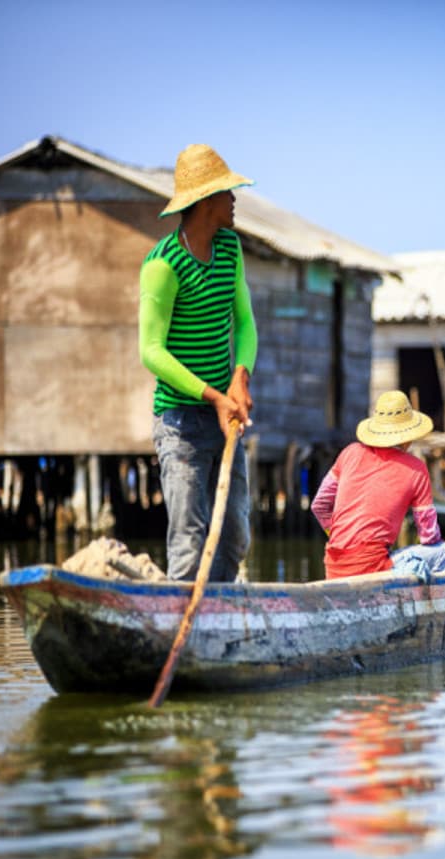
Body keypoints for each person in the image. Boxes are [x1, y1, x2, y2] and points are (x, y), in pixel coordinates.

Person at [138, 144, 257, 582]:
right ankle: (182, 627)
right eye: (227, 193)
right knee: (189, 539)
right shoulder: (163, 266)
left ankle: (218, 621)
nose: (234, 199)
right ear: (205, 202)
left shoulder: (229, 247)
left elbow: (244, 322)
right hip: (181, 421)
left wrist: (239, 376)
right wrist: (212, 395)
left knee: (234, 536)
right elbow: (151, 351)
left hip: (222, 415)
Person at [311, 391, 445, 580]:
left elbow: (319, 505)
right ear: (407, 436)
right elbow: (429, 536)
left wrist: (343, 537)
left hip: (334, 566)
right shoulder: (416, 469)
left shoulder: (350, 452)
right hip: (373, 567)